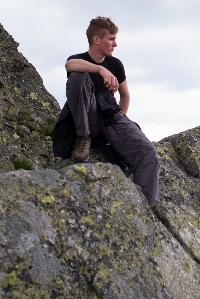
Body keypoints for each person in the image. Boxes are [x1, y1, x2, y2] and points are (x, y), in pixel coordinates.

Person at [64, 16, 160, 207]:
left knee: (148, 152)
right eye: (111, 39)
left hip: (111, 115)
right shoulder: (79, 60)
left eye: (115, 39)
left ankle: (146, 208)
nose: (115, 44)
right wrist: (100, 70)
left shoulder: (116, 64)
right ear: (96, 39)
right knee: (78, 78)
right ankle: (83, 137)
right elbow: (69, 65)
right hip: (87, 116)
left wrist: (122, 123)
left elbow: (125, 96)